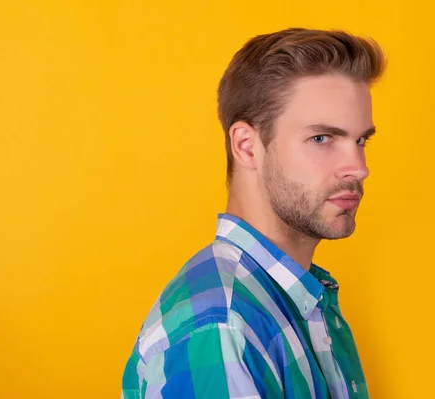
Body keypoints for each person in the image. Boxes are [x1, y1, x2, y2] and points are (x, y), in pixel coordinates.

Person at [121, 27, 386, 399]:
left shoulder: (305, 300)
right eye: (322, 139)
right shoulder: (222, 329)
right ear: (247, 147)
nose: (358, 168)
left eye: (361, 140)